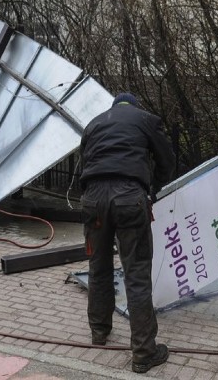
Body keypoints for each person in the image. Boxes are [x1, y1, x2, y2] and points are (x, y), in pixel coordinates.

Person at [79, 92, 176, 374]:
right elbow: (166, 161)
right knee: (136, 274)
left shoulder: (94, 124)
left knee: (98, 267)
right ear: (134, 106)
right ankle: (144, 353)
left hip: (93, 199)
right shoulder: (146, 120)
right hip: (128, 197)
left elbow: (83, 164)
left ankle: (99, 332)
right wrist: (152, 189)